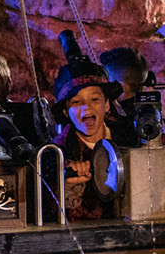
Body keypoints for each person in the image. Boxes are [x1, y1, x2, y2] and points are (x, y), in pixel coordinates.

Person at [49, 57, 124, 221]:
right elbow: (53, 211)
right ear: (65, 112)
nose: (86, 106)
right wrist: (68, 185)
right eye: (76, 101)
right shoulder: (57, 153)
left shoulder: (126, 137)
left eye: (95, 99)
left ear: (107, 105)